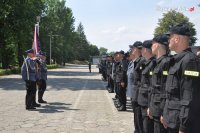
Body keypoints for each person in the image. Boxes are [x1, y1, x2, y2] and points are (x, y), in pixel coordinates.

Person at [162, 23, 200, 133]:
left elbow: (190, 98)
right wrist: (165, 115)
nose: (168, 40)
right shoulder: (177, 60)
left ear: (177, 39)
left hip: (180, 123)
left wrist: (185, 127)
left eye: (170, 37)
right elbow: (170, 95)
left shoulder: (190, 61)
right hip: (172, 119)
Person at [148, 34, 170, 133]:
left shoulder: (166, 62)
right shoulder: (157, 62)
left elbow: (166, 90)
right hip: (155, 107)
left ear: (156, 45)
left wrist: (164, 113)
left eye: (152, 44)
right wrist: (151, 107)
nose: (151, 47)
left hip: (161, 109)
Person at [138, 40, 156, 133]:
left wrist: (150, 106)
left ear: (145, 50)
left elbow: (153, 87)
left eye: (141, 49)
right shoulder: (146, 63)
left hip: (147, 103)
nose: (140, 51)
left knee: (148, 129)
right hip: (143, 101)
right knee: (145, 128)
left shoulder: (153, 64)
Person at [131, 41, 145, 133]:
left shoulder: (142, 61)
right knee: (136, 117)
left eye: (133, 48)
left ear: (137, 49)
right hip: (136, 94)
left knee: (139, 118)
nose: (132, 50)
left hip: (140, 95)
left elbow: (142, 80)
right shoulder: (137, 61)